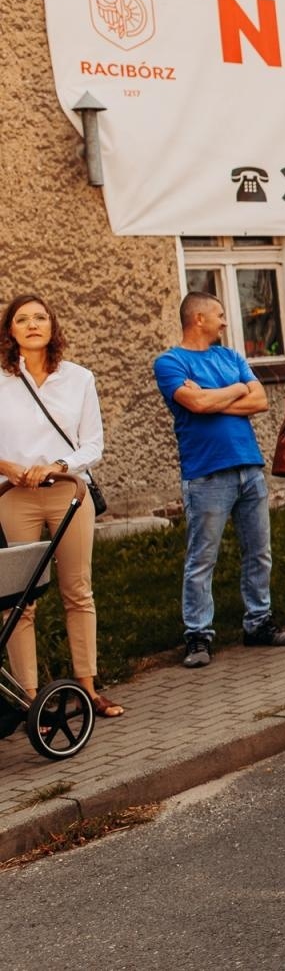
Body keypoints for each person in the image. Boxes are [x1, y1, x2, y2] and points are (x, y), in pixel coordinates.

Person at [153, 291, 285, 668]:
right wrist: (235, 391)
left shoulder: (231, 356)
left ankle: (258, 623)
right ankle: (198, 636)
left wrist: (216, 396)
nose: (225, 321)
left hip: (248, 467)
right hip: (206, 473)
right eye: (219, 314)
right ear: (198, 318)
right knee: (203, 558)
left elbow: (260, 400)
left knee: (259, 552)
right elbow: (195, 405)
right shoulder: (170, 362)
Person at [0, 295, 122, 717]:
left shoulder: (78, 378)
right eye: (22, 319)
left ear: (52, 327)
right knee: (19, 600)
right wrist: (9, 467)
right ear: (9, 330)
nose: (32, 324)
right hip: (15, 496)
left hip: (69, 491)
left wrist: (58, 464)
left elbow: (93, 444)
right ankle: (30, 702)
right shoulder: (0, 380)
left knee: (78, 591)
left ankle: (88, 688)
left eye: (40, 317)